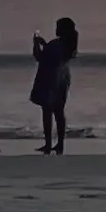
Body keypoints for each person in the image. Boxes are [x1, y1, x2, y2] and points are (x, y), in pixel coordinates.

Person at [29, 16, 79, 154]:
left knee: (47, 111)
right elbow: (54, 55)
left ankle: (48, 143)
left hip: (50, 78)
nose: (55, 29)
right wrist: (45, 44)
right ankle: (60, 144)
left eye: (58, 27)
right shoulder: (68, 45)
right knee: (59, 111)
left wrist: (35, 43)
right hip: (63, 77)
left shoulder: (55, 44)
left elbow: (39, 57)